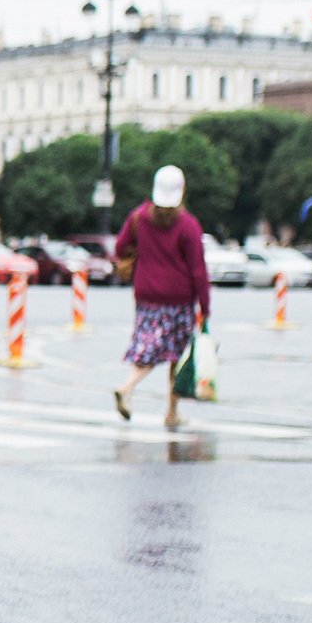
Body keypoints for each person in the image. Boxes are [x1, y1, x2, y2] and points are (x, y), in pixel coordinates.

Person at [111, 165, 210, 429]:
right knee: (175, 357)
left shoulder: (138, 218)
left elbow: (120, 248)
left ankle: (131, 388)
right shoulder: (188, 225)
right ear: (182, 191)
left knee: (148, 348)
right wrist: (205, 305)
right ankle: (168, 409)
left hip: (146, 295)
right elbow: (198, 269)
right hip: (178, 299)